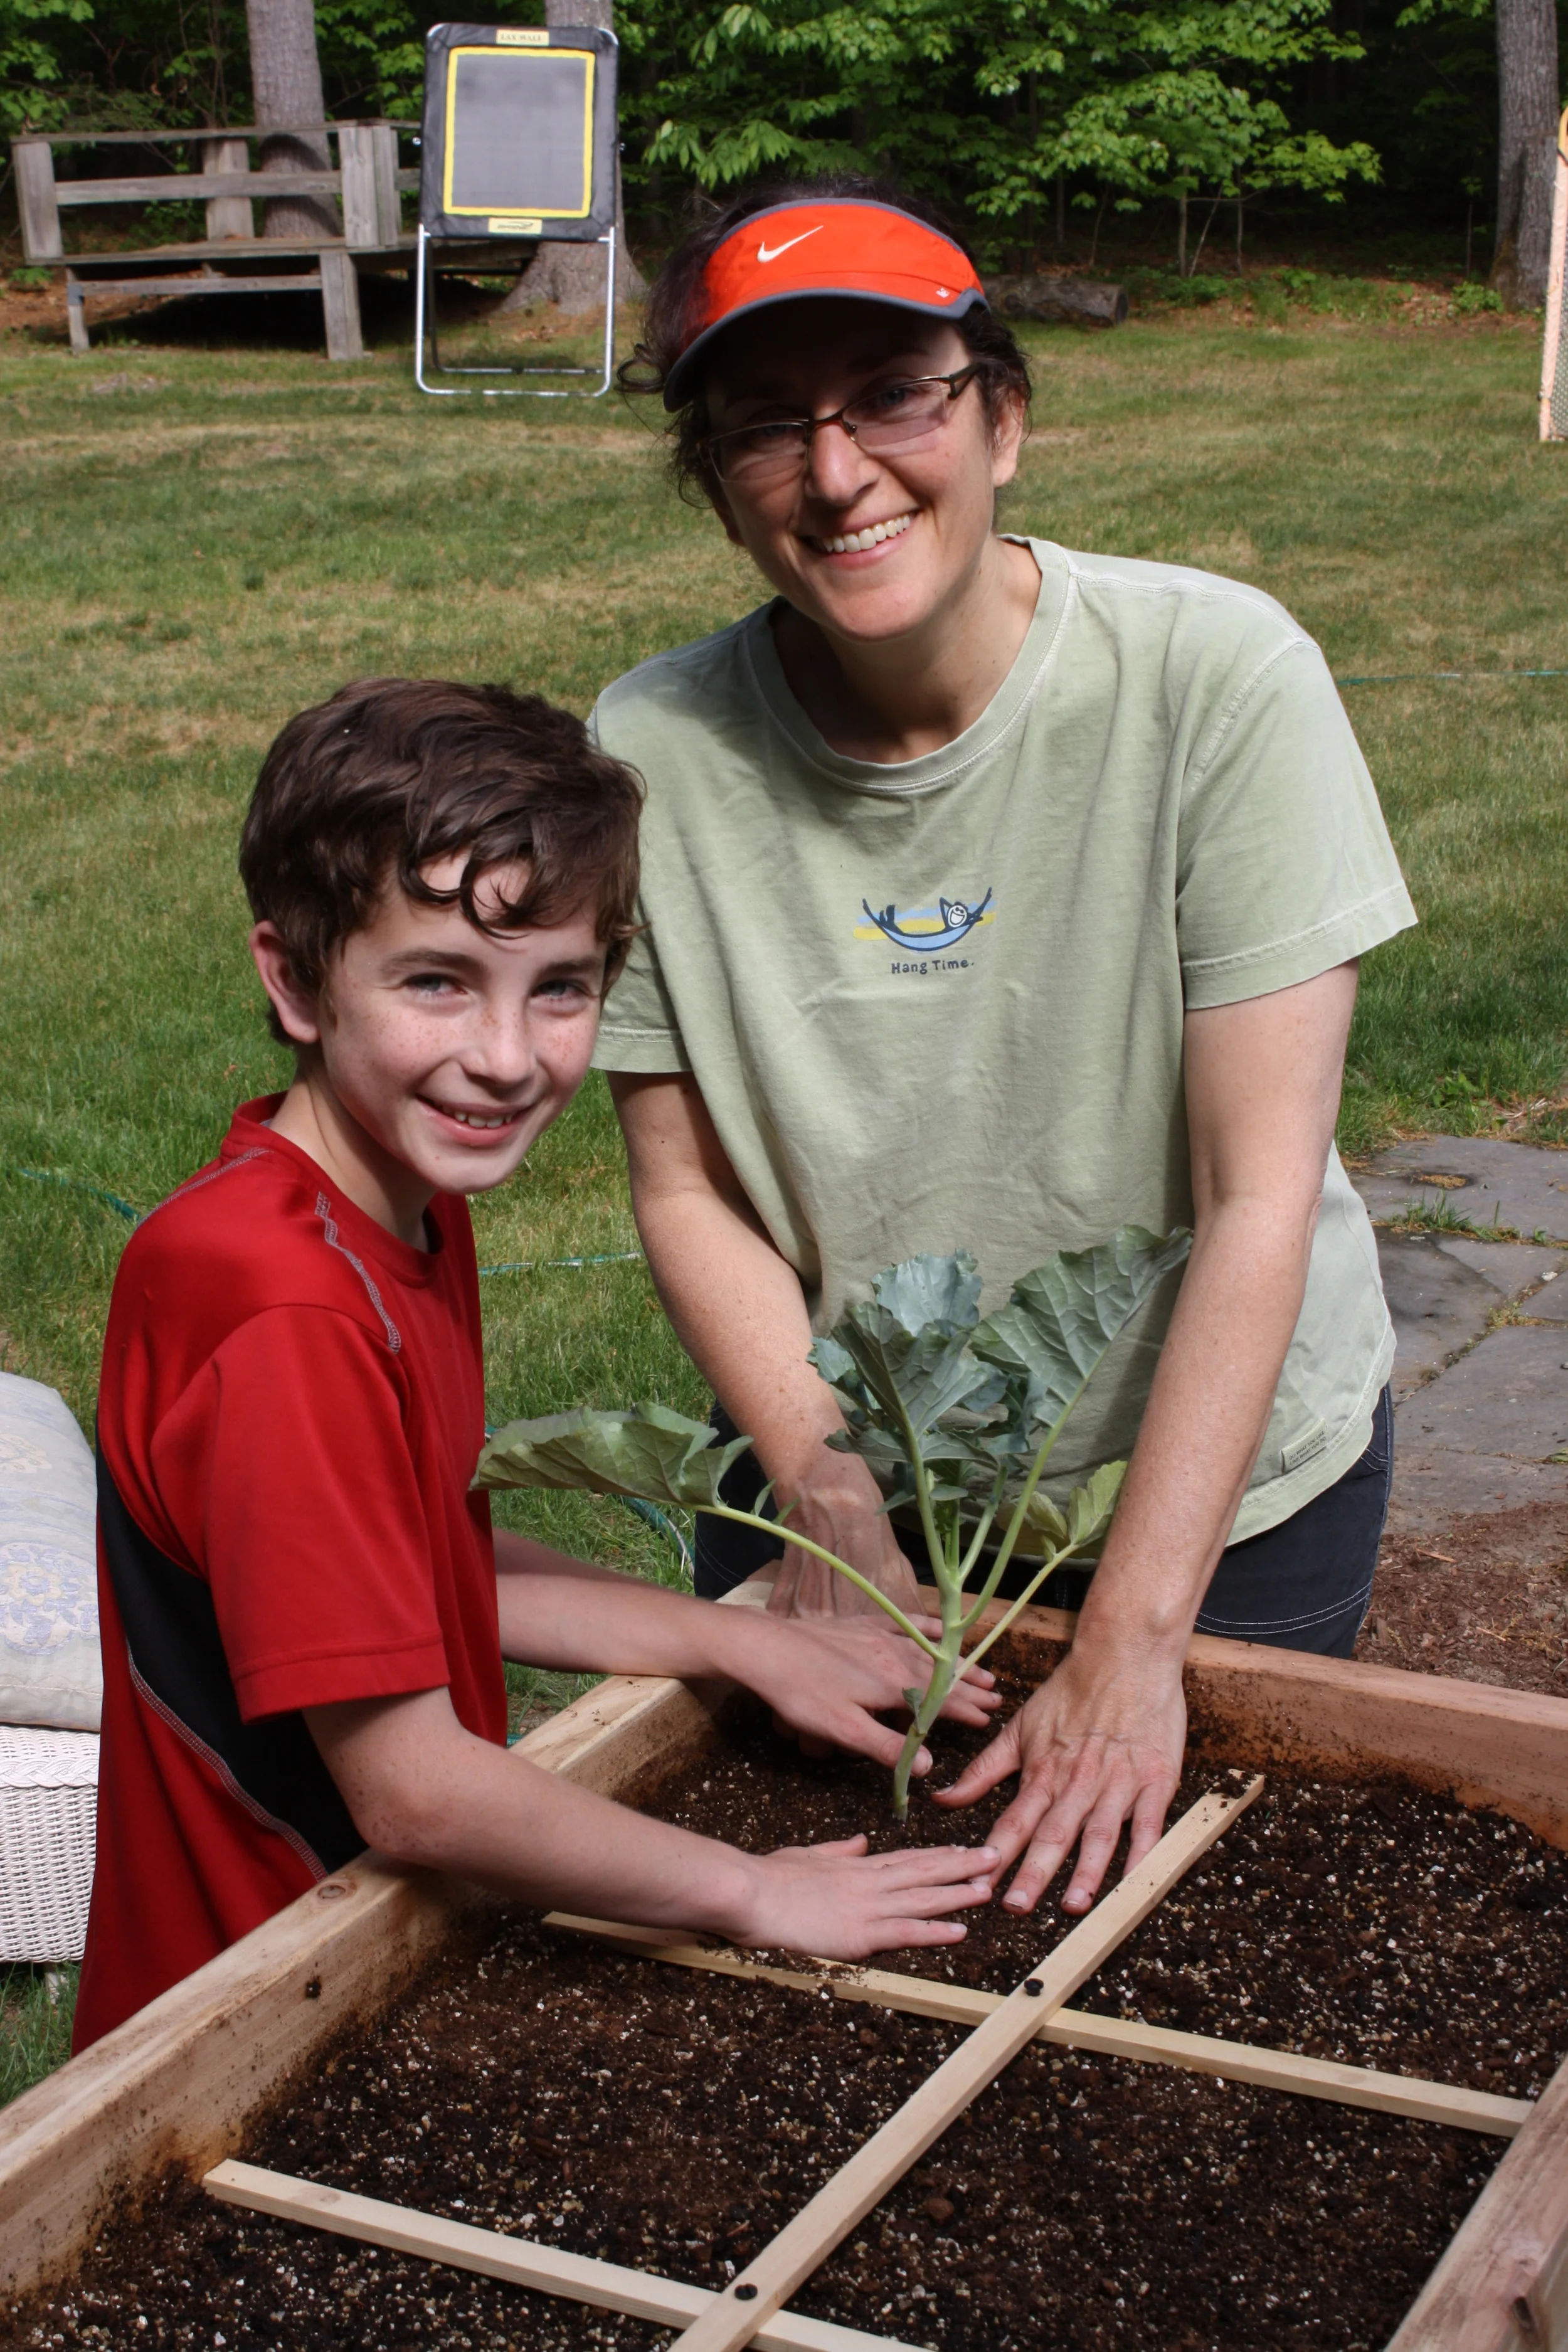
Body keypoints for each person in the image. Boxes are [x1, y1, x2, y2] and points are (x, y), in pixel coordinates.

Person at [590, 182, 1417, 1926]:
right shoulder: (651, 747)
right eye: (766, 425)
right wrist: (830, 1497)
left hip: (1213, 1493)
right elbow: (685, 1190)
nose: (837, 474)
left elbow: (1254, 1193)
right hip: (832, 1459)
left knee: (1179, 1931)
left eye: (894, 396)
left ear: (1003, 421)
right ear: (716, 485)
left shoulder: (1214, 678)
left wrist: (1133, 1636)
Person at [74, 676, 1002, 2052]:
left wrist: (738, 1638)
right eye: (436, 982)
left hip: (368, 1952)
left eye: (559, 986)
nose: (505, 1059)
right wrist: (755, 1890)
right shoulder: (283, 1305)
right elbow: (413, 1790)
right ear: (295, 979)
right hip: (253, 2005)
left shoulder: (389, 1201)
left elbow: (421, 1565)